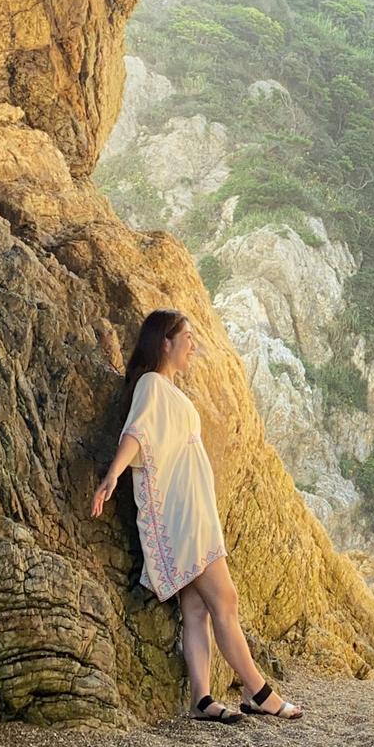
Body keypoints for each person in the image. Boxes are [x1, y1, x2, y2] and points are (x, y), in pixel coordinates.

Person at [91, 309, 303, 725]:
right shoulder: (152, 384)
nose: (193, 345)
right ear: (164, 342)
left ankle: (202, 699)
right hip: (185, 515)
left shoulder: (167, 388)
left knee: (197, 609)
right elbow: (138, 433)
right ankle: (259, 692)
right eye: (186, 337)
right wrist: (113, 474)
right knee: (226, 601)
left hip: (195, 509)